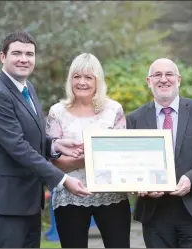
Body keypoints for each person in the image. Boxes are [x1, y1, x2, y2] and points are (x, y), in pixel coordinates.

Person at [0, 30, 92, 248]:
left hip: (28, 203)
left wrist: (54, 144)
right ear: (2, 57)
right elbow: (18, 147)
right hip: (6, 206)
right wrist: (63, 180)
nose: (24, 59)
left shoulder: (26, 88)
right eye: (17, 53)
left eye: (29, 54)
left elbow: (31, 134)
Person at [126, 58, 192, 248]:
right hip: (155, 214)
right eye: (157, 75)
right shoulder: (135, 119)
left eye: (169, 74)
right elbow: (132, 162)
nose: (163, 79)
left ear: (178, 80)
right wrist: (139, 183)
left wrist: (191, 179)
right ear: (149, 81)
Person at [45, 53, 131, 248]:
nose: (82, 82)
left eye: (88, 77)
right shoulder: (57, 111)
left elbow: (121, 155)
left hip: (112, 195)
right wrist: (91, 158)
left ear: (97, 80)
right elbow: (54, 163)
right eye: (77, 76)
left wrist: (80, 158)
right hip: (70, 196)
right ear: (70, 80)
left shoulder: (113, 109)